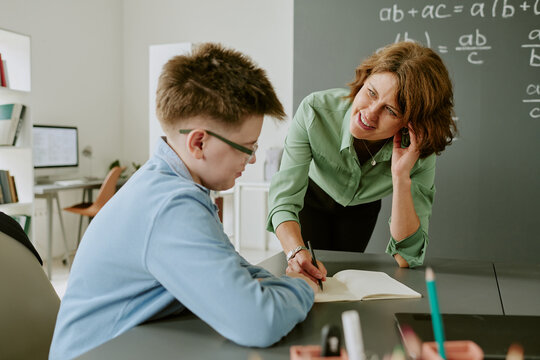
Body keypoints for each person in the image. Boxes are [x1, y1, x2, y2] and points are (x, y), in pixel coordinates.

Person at [49, 43, 318, 360]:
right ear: (199, 142)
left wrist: (279, 282)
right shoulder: (170, 204)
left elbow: (234, 269)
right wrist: (303, 287)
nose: (254, 158)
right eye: (247, 147)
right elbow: (258, 323)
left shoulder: (172, 183)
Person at [266, 41, 456, 284]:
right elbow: (284, 199)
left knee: (344, 283)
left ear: (412, 123)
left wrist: (400, 175)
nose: (370, 113)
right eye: (371, 93)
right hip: (309, 199)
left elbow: (406, 257)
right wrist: (294, 251)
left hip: (361, 209)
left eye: (391, 110)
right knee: (304, 278)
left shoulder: (419, 150)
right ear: (364, 79)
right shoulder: (315, 110)